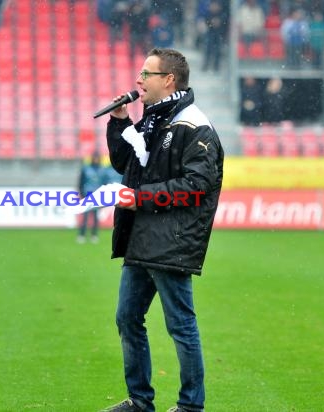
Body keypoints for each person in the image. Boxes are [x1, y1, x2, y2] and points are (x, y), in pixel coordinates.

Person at [100, 48, 224, 412]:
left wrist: (138, 198)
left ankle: (190, 406)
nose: (138, 81)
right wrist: (120, 121)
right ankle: (140, 401)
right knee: (127, 317)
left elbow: (197, 185)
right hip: (143, 236)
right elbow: (125, 162)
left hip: (172, 239)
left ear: (168, 80)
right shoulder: (155, 119)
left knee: (180, 325)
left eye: (146, 74)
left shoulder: (194, 125)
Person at [77, 151, 107, 244]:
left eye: (97, 157)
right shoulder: (86, 169)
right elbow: (80, 182)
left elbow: (104, 184)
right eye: (94, 157)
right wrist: (81, 194)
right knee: (85, 216)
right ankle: (81, 235)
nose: (96, 159)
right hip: (87, 194)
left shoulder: (102, 170)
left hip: (97, 196)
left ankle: (94, 235)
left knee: (95, 217)